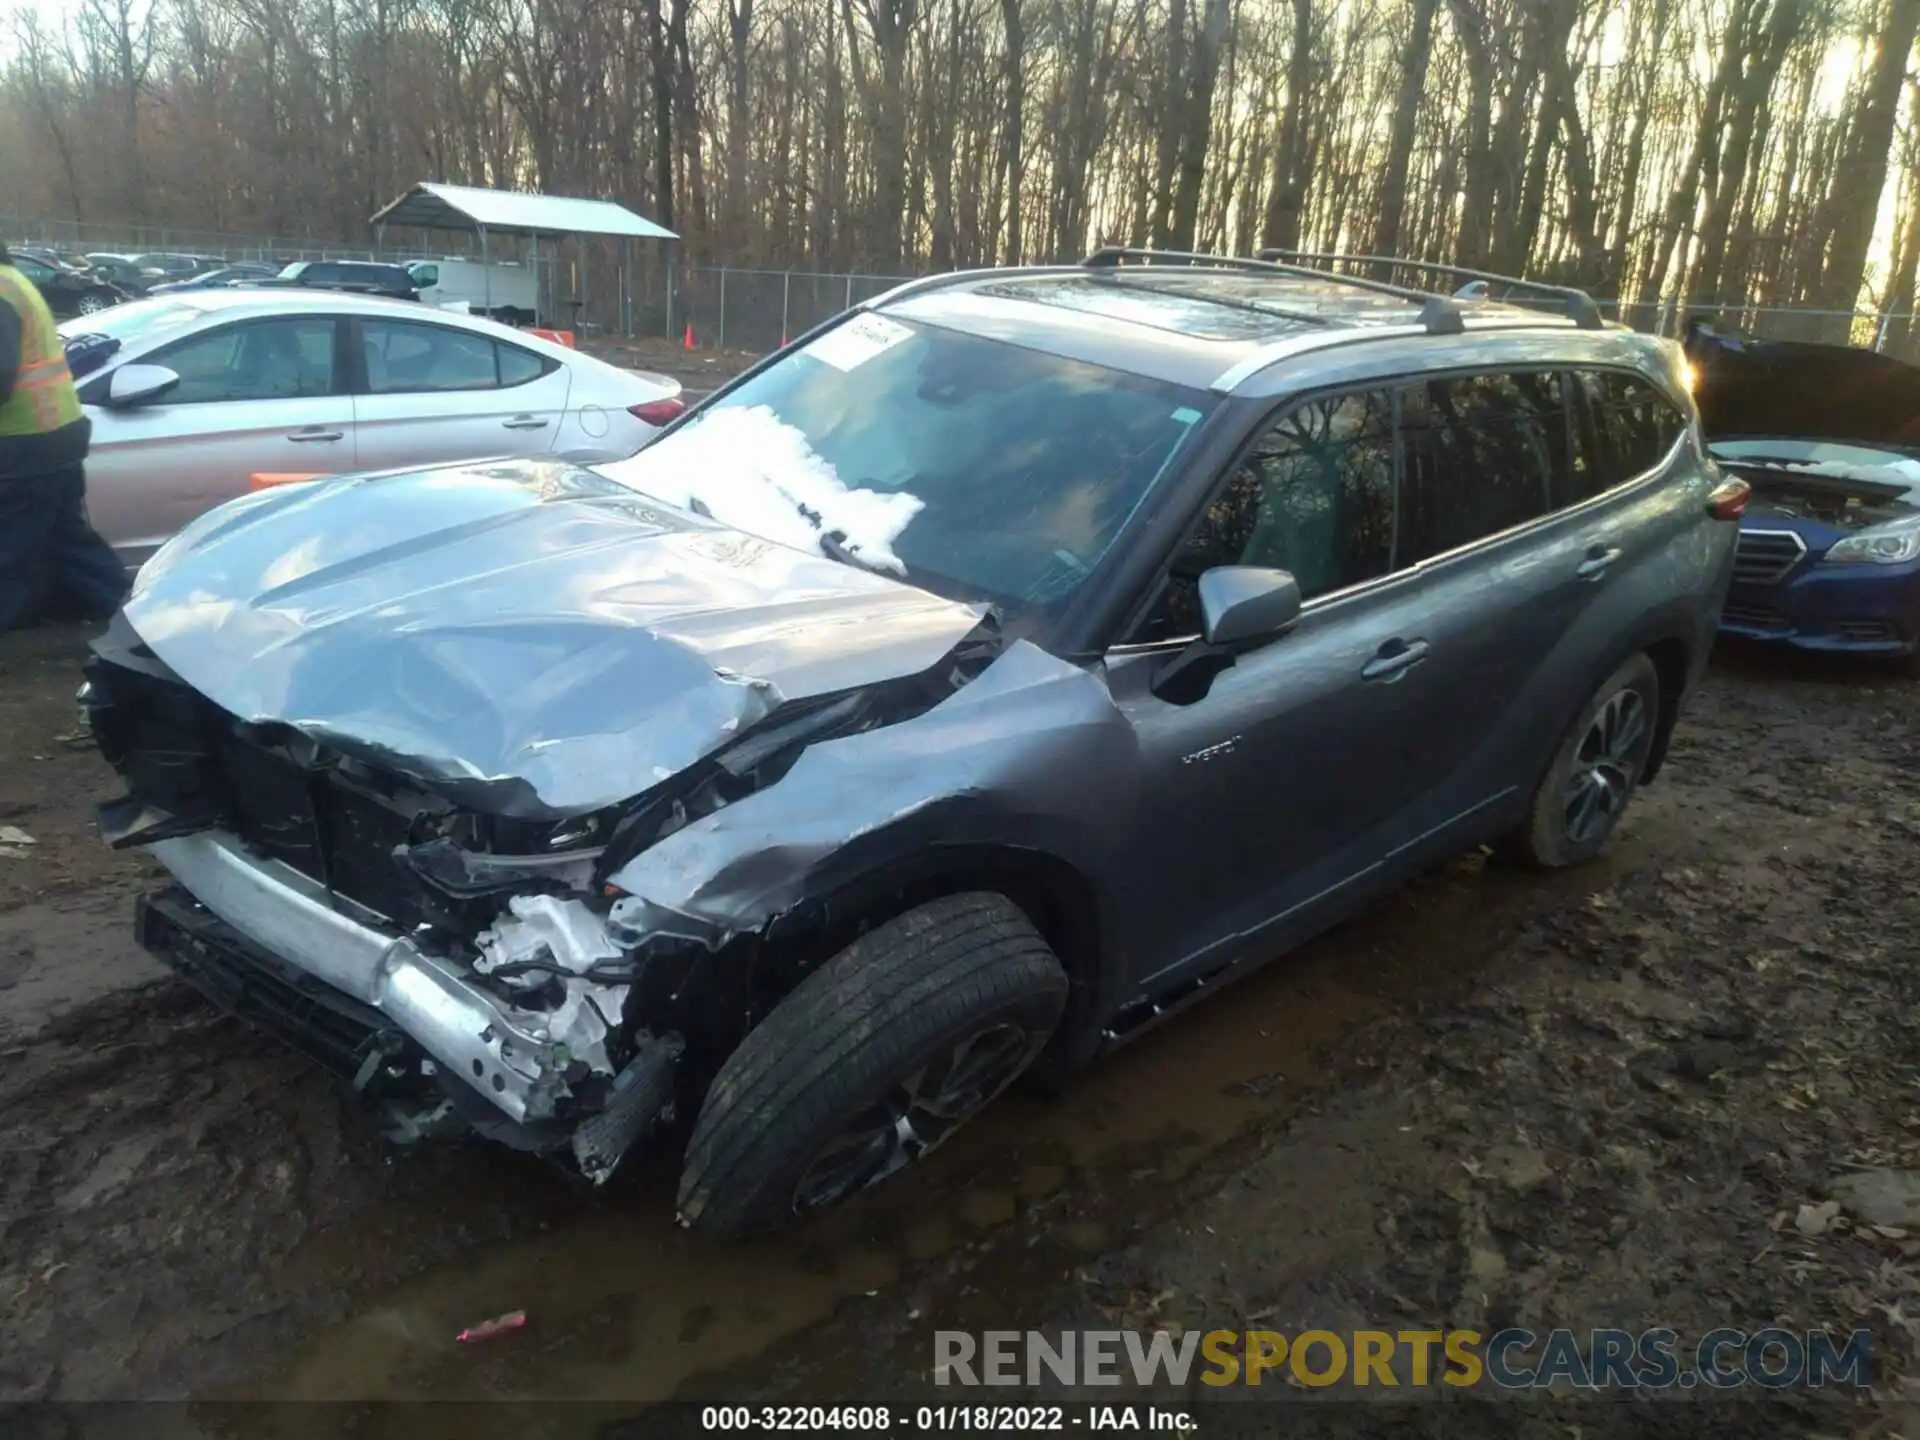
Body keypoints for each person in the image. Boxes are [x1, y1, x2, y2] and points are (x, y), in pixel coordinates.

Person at [0, 240, 130, 631]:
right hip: (54, 436)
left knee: (10, 552)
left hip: (25, 443)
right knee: (69, 545)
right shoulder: (13, 282)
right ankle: (138, 618)